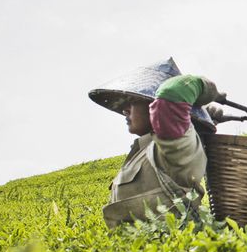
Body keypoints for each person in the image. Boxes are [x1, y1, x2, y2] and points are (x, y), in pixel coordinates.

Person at [89, 58, 224, 228]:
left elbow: (173, 92)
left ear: (154, 105)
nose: (125, 110)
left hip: (169, 248)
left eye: (133, 101)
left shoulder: (175, 147)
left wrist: (208, 88)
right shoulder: (147, 148)